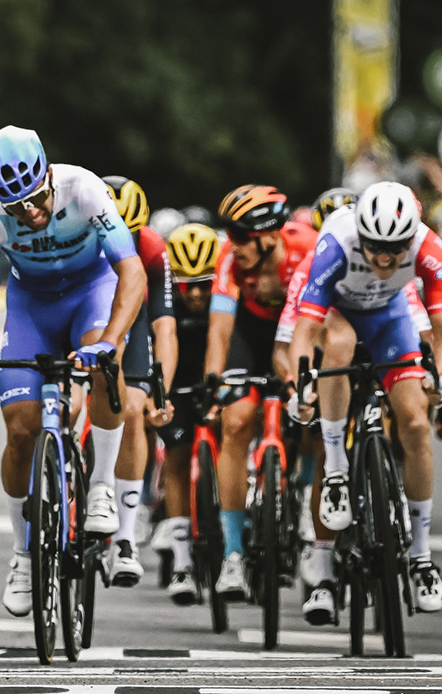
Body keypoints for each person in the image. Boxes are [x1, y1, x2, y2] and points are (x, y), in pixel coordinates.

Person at [0, 126, 145, 617]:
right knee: (20, 429)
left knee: (105, 364)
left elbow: (131, 270)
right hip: (32, 309)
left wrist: (110, 340)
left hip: (91, 294)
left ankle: (101, 486)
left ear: (48, 175)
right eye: (16, 207)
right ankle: (23, 554)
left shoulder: (83, 188)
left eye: (36, 199)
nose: (30, 213)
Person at [288, 181, 442, 614]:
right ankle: (337, 472)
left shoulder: (429, 247)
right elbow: (305, 330)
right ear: (360, 234)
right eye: (374, 247)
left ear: (411, 239)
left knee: (415, 423)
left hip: (388, 318)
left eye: (395, 249)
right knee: (339, 345)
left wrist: (440, 377)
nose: (383, 258)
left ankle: (421, 557)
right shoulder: (336, 243)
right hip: (338, 316)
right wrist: (301, 383)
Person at [203, 184, 316, 600]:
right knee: (235, 422)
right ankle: (233, 553)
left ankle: (307, 496)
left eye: (239, 235)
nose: (231, 244)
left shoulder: (308, 248)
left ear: (269, 235)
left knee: (315, 415)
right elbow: (220, 330)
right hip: (250, 335)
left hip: (301, 331)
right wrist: (214, 383)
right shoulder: (229, 259)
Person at [101, 176, 176, 587]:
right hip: (84, 312)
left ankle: (125, 537)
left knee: (131, 411)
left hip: (131, 321)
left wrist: (159, 391)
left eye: (127, 235)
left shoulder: (151, 247)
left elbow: (164, 327)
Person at [155, 222, 220, 604]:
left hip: (216, 377)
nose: (196, 293)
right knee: (177, 457)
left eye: (204, 284)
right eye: (186, 286)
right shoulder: (162, 294)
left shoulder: (228, 294)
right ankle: (182, 561)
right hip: (177, 381)